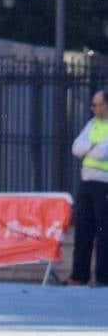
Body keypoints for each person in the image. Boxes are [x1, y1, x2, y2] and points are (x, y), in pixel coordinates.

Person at [67, 89, 108, 286]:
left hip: (104, 185)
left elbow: (102, 153)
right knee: (83, 230)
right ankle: (79, 275)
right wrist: (92, 145)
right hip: (86, 183)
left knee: (104, 232)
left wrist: (89, 147)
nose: (92, 108)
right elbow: (76, 147)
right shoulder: (92, 124)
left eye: (96, 104)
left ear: (105, 106)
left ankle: (103, 277)